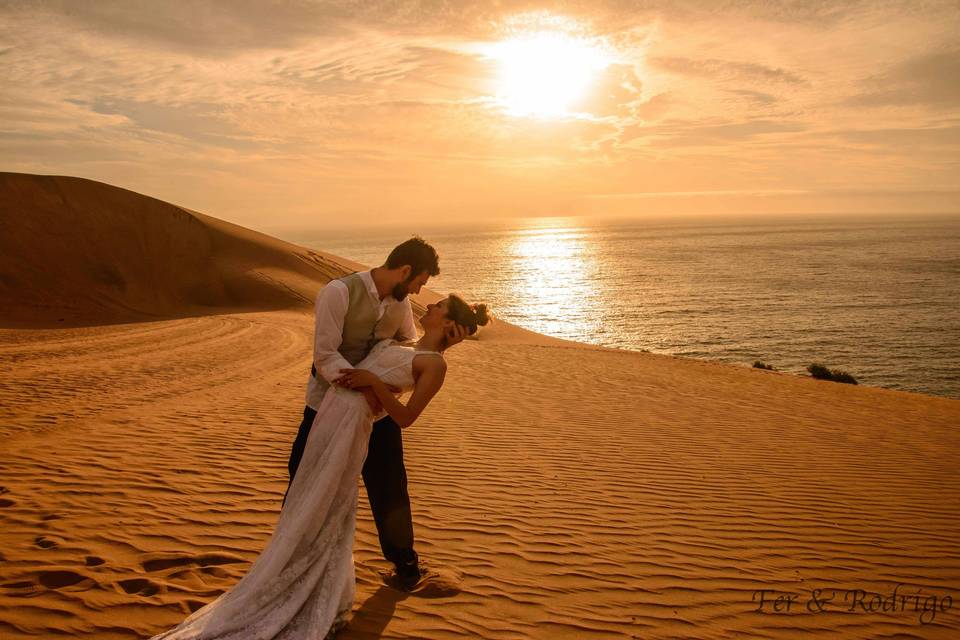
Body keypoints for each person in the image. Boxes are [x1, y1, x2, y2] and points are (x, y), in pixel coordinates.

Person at [151, 296, 489, 639]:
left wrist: (372, 382)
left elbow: (405, 418)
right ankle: (288, 569)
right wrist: (370, 381)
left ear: (448, 323)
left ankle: (306, 582)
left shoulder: (435, 364)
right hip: (330, 414)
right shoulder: (406, 341)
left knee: (328, 500)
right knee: (309, 490)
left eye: (440, 305)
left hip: (351, 426)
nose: (430, 304)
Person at [286, 237, 458, 591]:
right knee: (303, 478)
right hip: (325, 407)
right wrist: (366, 385)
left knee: (389, 487)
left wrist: (386, 384)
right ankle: (289, 560)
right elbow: (325, 355)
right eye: (419, 283)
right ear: (405, 271)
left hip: (377, 416)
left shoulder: (400, 303)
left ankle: (405, 565)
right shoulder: (339, 292)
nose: (419, 292)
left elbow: (407, 347)